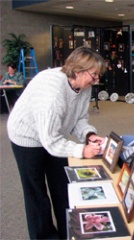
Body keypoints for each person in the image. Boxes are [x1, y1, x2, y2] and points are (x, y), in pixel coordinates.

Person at [7, 46, 106, 239]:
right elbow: (50, 141)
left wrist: (88, 135)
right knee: (36, 193)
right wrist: (82, 150)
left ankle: (69, 232)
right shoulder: (51, 93)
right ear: (77, 71)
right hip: (26, 137)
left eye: (99, 74)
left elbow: (79, 119)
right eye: (94, 75)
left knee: (63, 185)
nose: (97, 80)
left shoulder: (84, 86)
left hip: (54, 134)